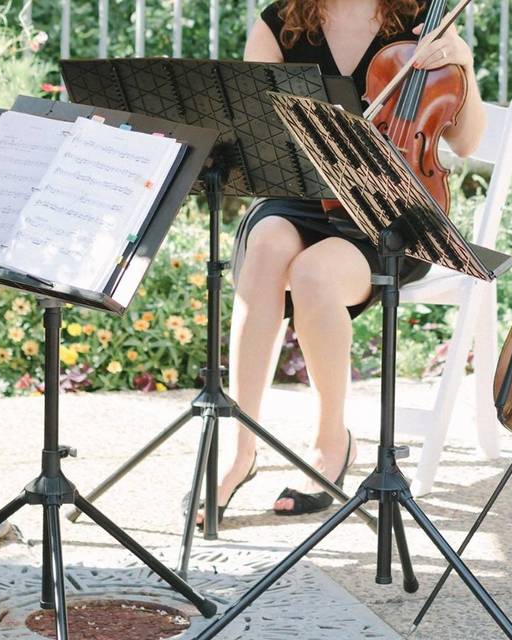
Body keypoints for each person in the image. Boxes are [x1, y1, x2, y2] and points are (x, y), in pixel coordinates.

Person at [197, 0, 486, 524]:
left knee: (313, 275)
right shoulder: (279, 22)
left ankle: (332, 443)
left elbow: (465, 141)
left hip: (388, 209)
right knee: (264, 248)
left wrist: (461, 59)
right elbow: (251, 132)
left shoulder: (420, 19)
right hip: (301, 195)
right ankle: (241, 451)